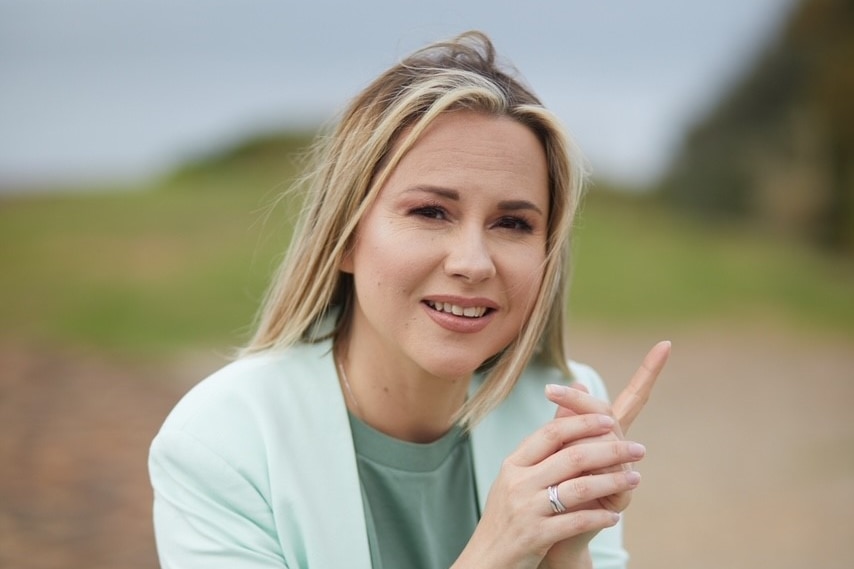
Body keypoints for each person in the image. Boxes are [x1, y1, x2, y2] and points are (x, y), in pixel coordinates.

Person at [148, 30, 670, 569]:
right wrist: (498, 552)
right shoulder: (221, 441)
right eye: (430, 212)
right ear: (345, 237)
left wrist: (566, 553)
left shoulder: (560, 411)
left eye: (513, 222)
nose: (473, 262)